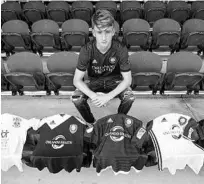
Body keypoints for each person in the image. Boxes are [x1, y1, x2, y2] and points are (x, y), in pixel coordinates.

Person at [71, 9, 135, 124]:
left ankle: (118, 121)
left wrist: (108, 96)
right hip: (94, 81)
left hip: (114, 80)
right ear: (94, 33)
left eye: (107, 32)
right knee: (76, 99)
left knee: (129, 97)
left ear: (113, 31)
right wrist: (94, 96)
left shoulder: (120, 48)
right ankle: (92, 123)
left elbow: (127, 80)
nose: (104, 37)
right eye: (99, 32)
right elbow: (76, 80)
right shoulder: (87, 50)